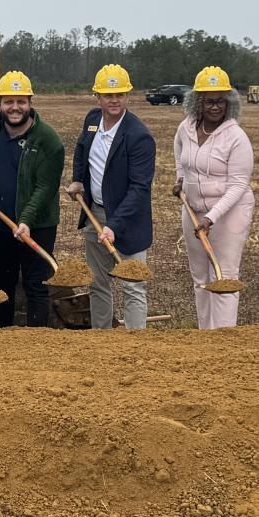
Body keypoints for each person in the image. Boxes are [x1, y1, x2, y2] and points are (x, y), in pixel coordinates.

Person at [0, 70, 62, 327]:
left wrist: (27, 221)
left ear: (30, 103)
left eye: (21, 101)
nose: (15, 107)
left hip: (37, 227)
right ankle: (2, 339)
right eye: (9, 101)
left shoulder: (48, 140)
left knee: (36, 285)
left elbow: (46, 187)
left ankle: (36, 341)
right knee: (3, 286)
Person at [66, 63, 155, 330]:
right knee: (97, 282)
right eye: (107, 95)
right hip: (96, 212)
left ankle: (135, 344)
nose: (114, 100)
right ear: (97, 97)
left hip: (128, 220)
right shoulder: (93, 120)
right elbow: (82, 149)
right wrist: (78, 179)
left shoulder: (139, 136)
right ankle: (101, 340)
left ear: (128, 95)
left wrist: (113, 226)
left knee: (133, 285)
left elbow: (140, 188)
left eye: (119, 95)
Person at [173, 66, 255, 330]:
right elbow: (179, 152)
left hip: (229, 214)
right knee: (200, 277)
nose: (216, 107)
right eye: (209, 101)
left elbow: (239, 185)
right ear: (197, 101)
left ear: (229, 102)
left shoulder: (236, 137)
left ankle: (223, 337)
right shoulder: (185, 128)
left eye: (221, 101)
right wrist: (180, 179)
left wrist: (211, 218)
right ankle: (204, 335)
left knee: (224, 276)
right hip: (193, 210)